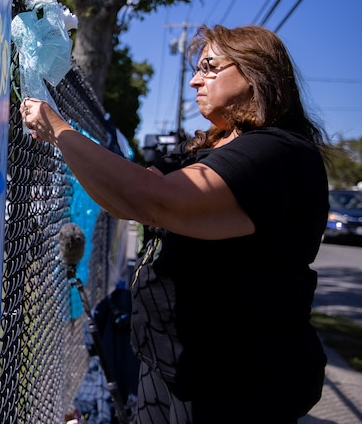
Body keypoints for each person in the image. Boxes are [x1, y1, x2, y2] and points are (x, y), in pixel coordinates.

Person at [20, 25, 328, 423]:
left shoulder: (276, 153)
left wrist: (60, 131)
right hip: (173, 368)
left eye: (210, 66)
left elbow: (153, 201)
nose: (196, 79)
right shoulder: (211, 146)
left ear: (257, 72)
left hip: (236, 383)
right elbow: (128, 196)